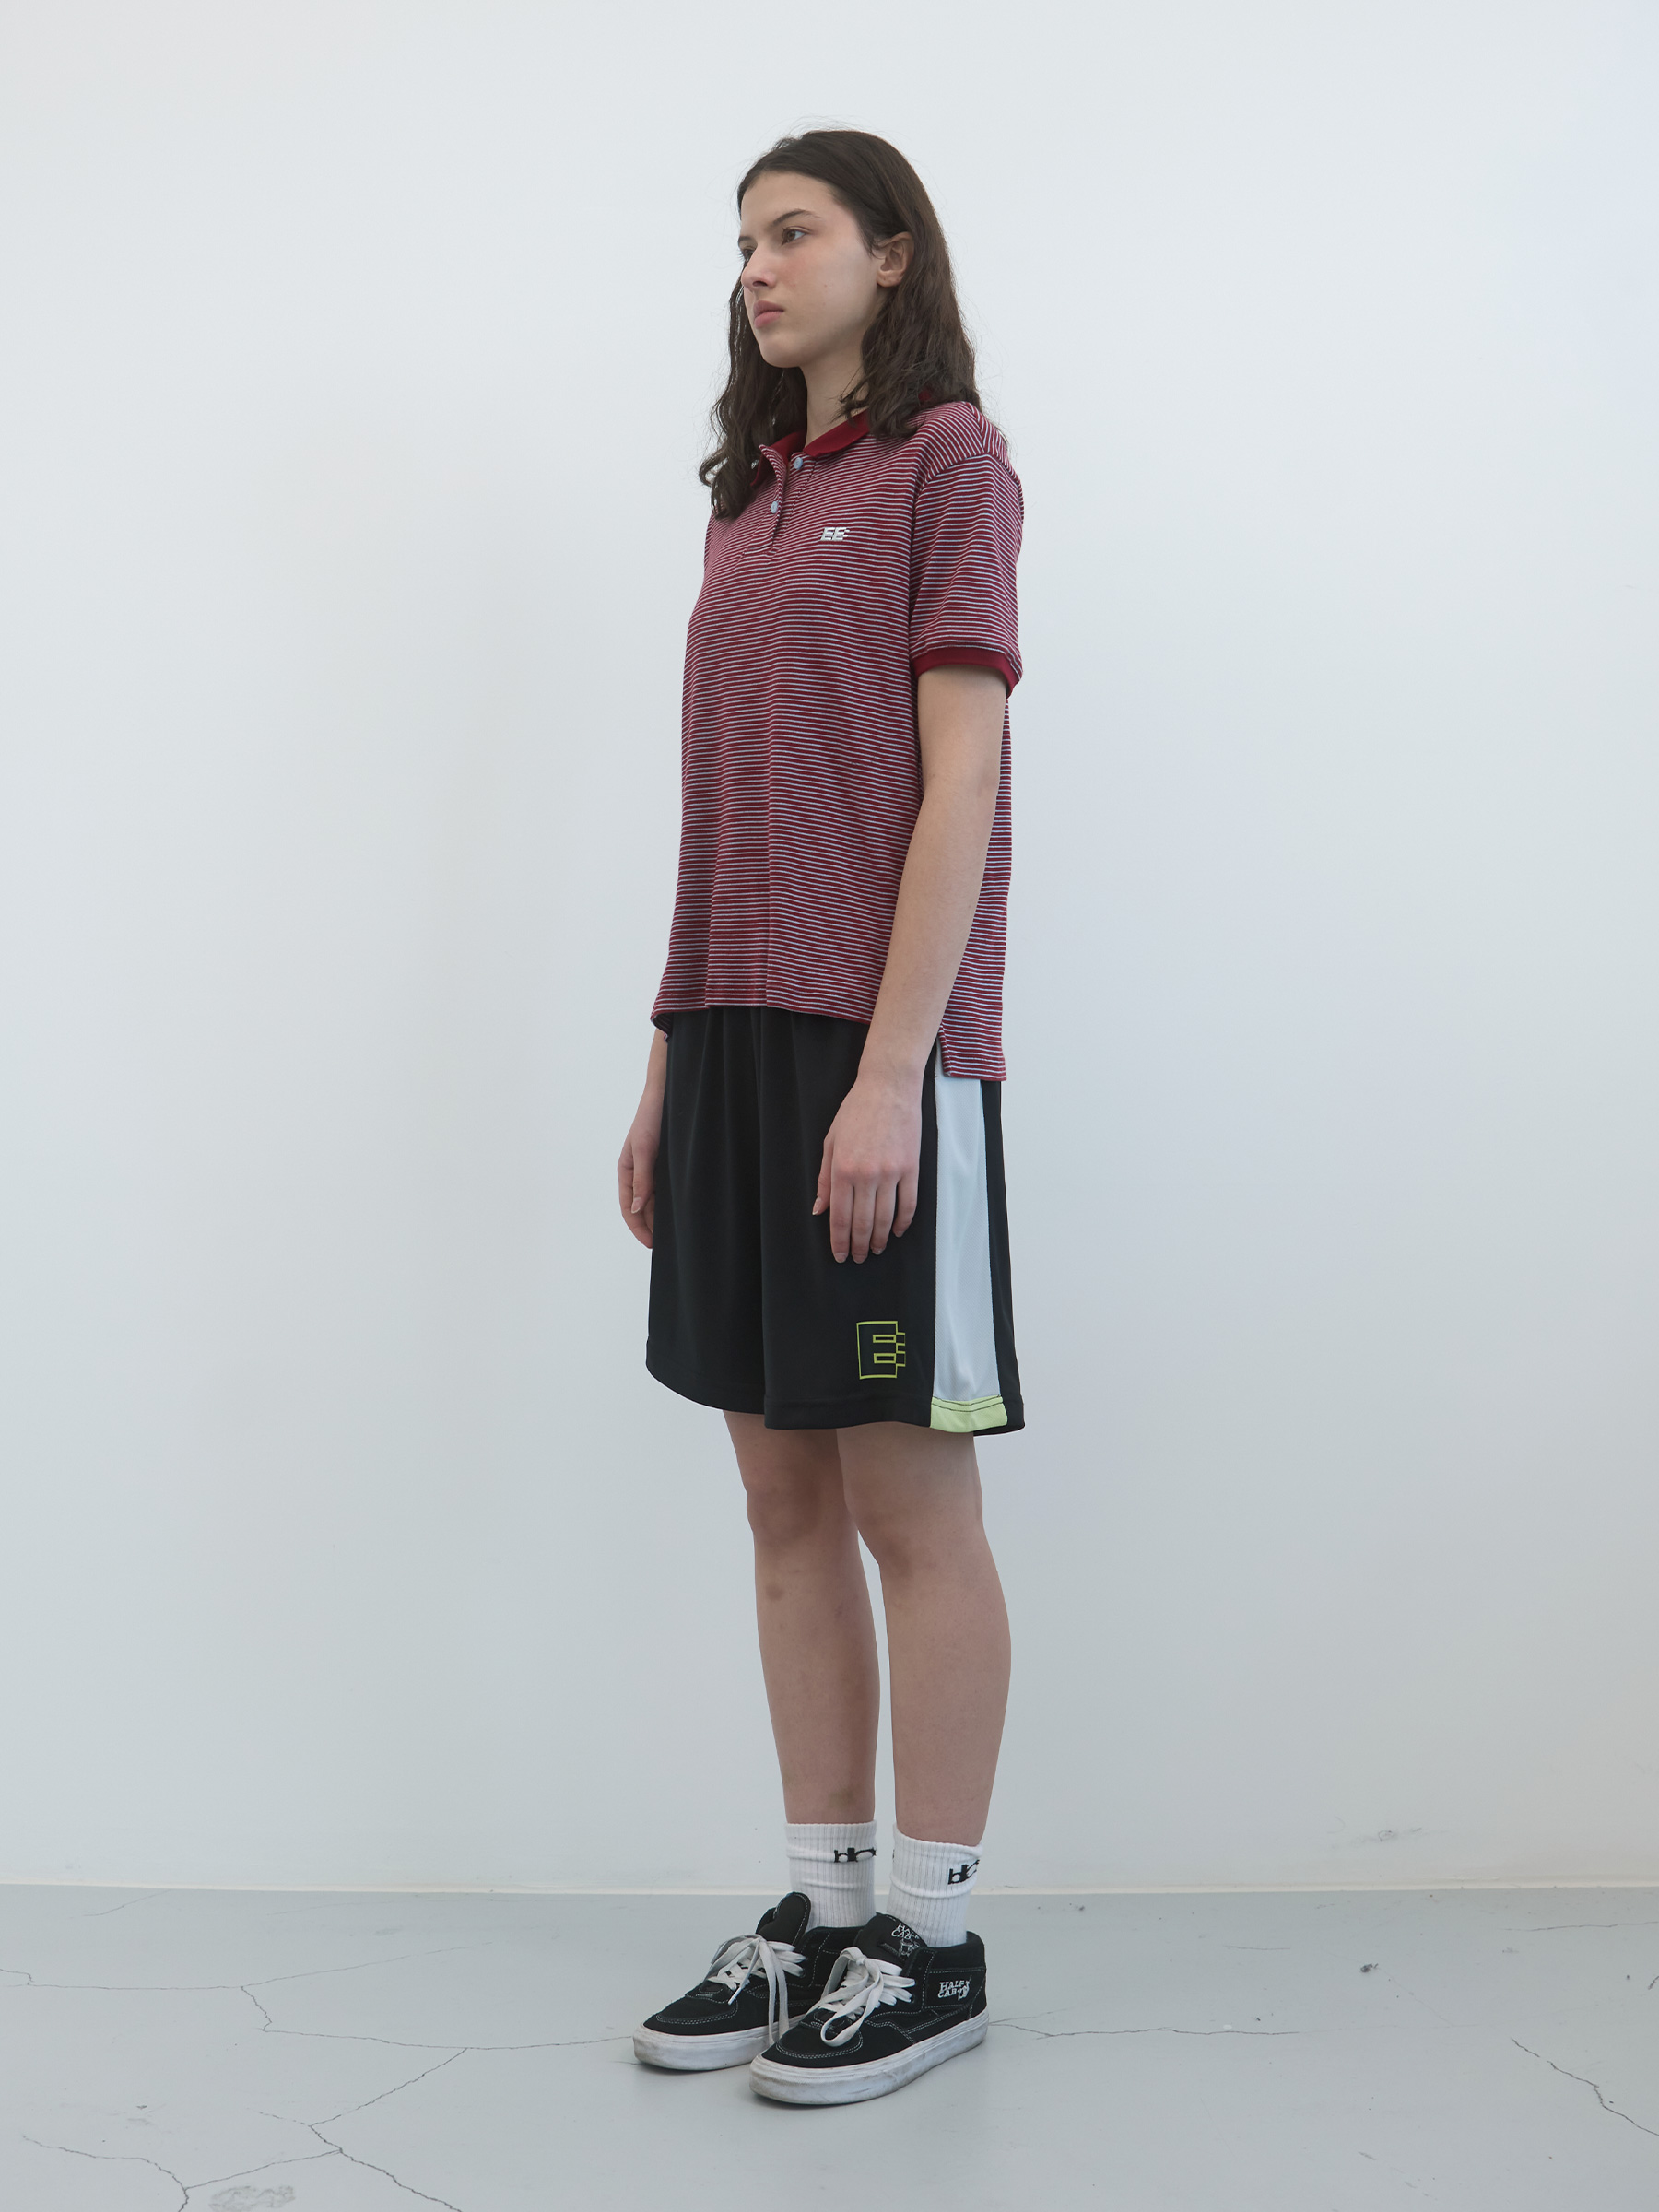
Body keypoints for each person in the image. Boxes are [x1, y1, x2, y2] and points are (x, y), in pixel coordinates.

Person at [617, 127, 1024, 2107]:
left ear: (891, 253)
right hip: (729, 1039)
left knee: (904, 1505)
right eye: (745, 242)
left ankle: (935, 1941)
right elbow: (722, 813)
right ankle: (828, 1910)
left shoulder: (951, 464)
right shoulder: (752, 500)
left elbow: (963, 786)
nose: (759, 268)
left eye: (795, 232)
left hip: (882, 1055)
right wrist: (666, 1062)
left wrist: (887, 1072)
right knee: (780, 1502)